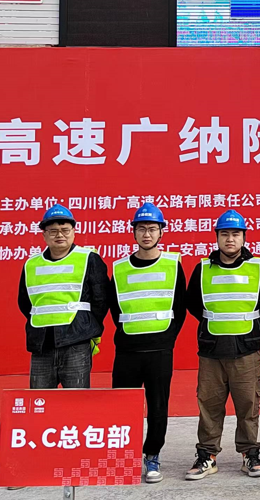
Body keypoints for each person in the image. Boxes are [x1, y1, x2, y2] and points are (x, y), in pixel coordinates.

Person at [184, 209, 260, 480]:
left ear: (244, 237)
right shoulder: (203, 268)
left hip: (246, 349)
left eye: (235, 234)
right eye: (224, 234)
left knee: (248, 405)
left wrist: (246, 327)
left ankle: (250, 454)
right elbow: (193, 303)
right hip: (211, 349)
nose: (230, 239)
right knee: (209, 405)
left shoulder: (257, 267)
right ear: (217, 237)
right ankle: (207, 455)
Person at [109, 203, 187, 484]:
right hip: (127, 349)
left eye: (152, 229)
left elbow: (180, 306)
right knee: (122, 406)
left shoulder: (172, 265)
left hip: (160, 349)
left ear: (161, 232)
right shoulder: (120, 268)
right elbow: (114, 307)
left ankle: (152, 455)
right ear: (133, 232)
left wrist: (167, 338)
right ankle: (123, 456)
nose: (146, 234)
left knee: (157, 407)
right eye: (141, 228)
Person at [17, 203, 110, 390]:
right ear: (44, 235)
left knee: (76, 402)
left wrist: (85, 325)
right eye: (53, 231)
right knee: (40, 402)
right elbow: (25, 302)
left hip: (76, 342)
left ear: (74, 232)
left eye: (65, 230)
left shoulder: (88, 258)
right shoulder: (31, 264)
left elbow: (101, 299)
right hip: (41, 343)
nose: (60, 235)